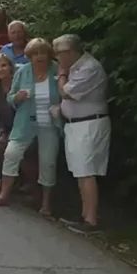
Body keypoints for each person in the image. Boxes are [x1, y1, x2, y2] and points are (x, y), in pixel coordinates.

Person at [0, 38, 62, 216]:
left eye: (42, 53)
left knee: (48, 162)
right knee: (11, 153)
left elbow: (65, 95)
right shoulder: (23, 72)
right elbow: (10, 98)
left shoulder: (57, 70)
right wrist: (17, 98)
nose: (38, 57)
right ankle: (4, 195)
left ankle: (46, 204)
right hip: (25, 122)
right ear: (29, 57)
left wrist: (60, 108)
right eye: (34, 54)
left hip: (49, 123)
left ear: (48, 54)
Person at [54, 34, 111, 234]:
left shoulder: (89, 68)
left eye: (59, 53)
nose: (57, 58)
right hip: (76, 125)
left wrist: (61, 75)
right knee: (80, 171)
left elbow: (67, 92)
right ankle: (84, 214)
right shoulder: (76, 67)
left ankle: (91, 220)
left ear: (70, 52)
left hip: (88, 125)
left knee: (86, 171)